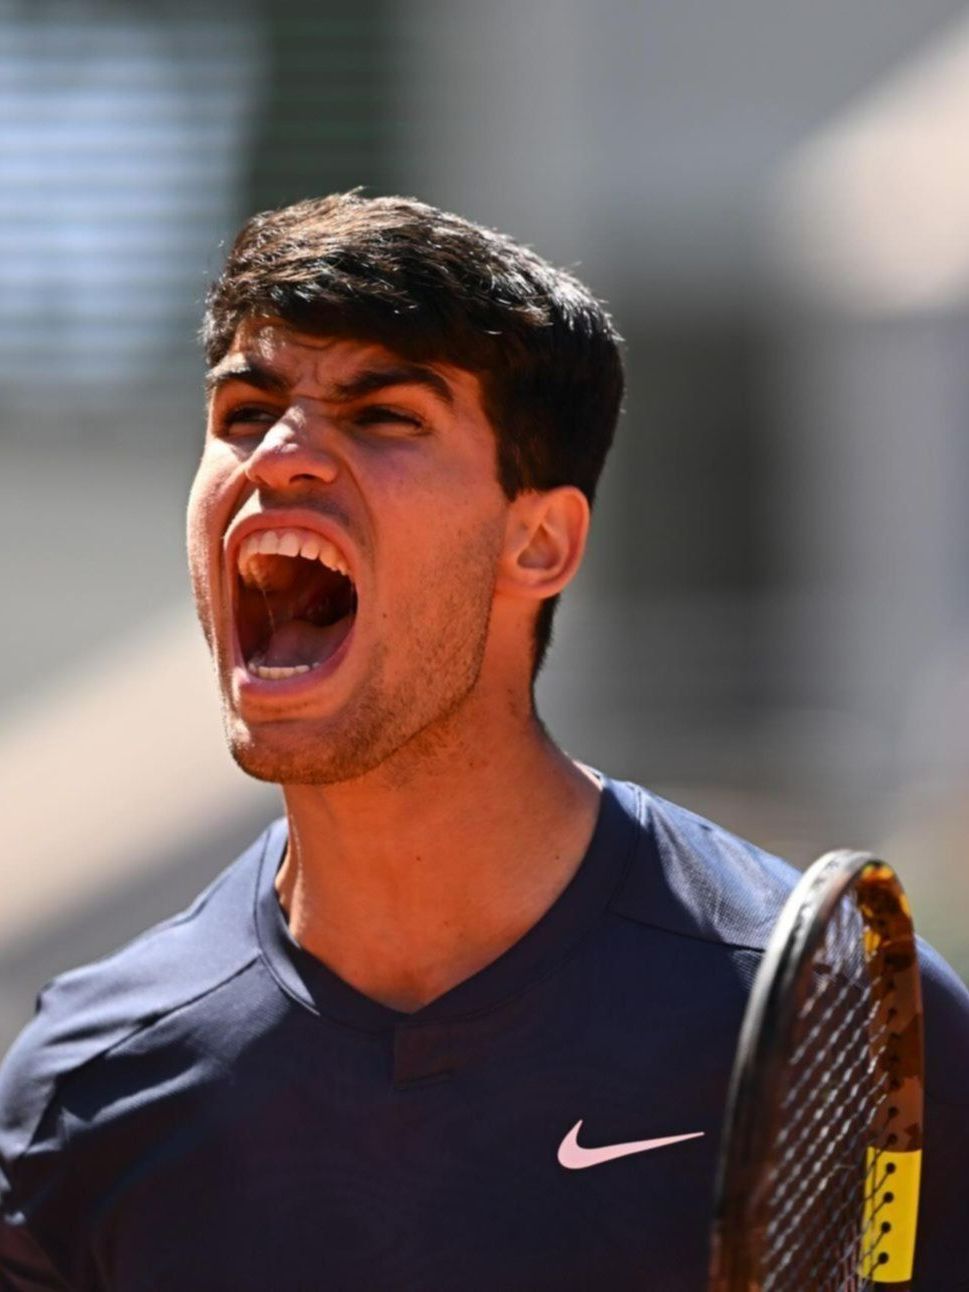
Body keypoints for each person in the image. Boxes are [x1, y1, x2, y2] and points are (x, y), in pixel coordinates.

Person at [1, 193, 967, 1290]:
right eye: (242, 411)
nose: (279, 455)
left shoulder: (838, 1032)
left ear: (540, 542)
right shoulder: (84, 1081)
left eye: (383, 417)